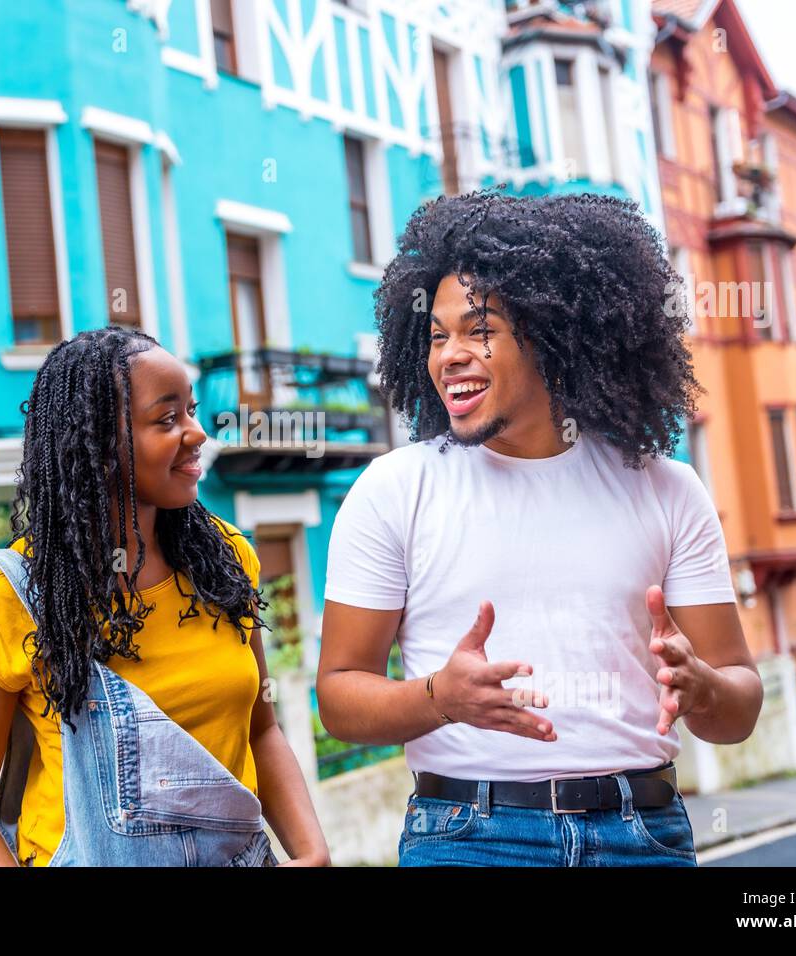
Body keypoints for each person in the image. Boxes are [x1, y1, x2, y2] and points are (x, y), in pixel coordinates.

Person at [316, 190, 762, 866]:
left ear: (553, 334)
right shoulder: (393, 491)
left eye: (479, 330)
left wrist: (704, 687)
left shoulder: (667, 489)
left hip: (642, 833)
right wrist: (442, 697)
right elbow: (340, 695)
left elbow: (739, 704)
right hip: (470, 836)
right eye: (437, 336)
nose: (450, 356)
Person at [0, 326, 329, 866]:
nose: (196, 434)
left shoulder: (226, 562)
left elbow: (262, 728)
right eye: (167, 419)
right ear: (96, 443)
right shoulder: (10, 598)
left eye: (191, 411)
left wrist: (311, 853)